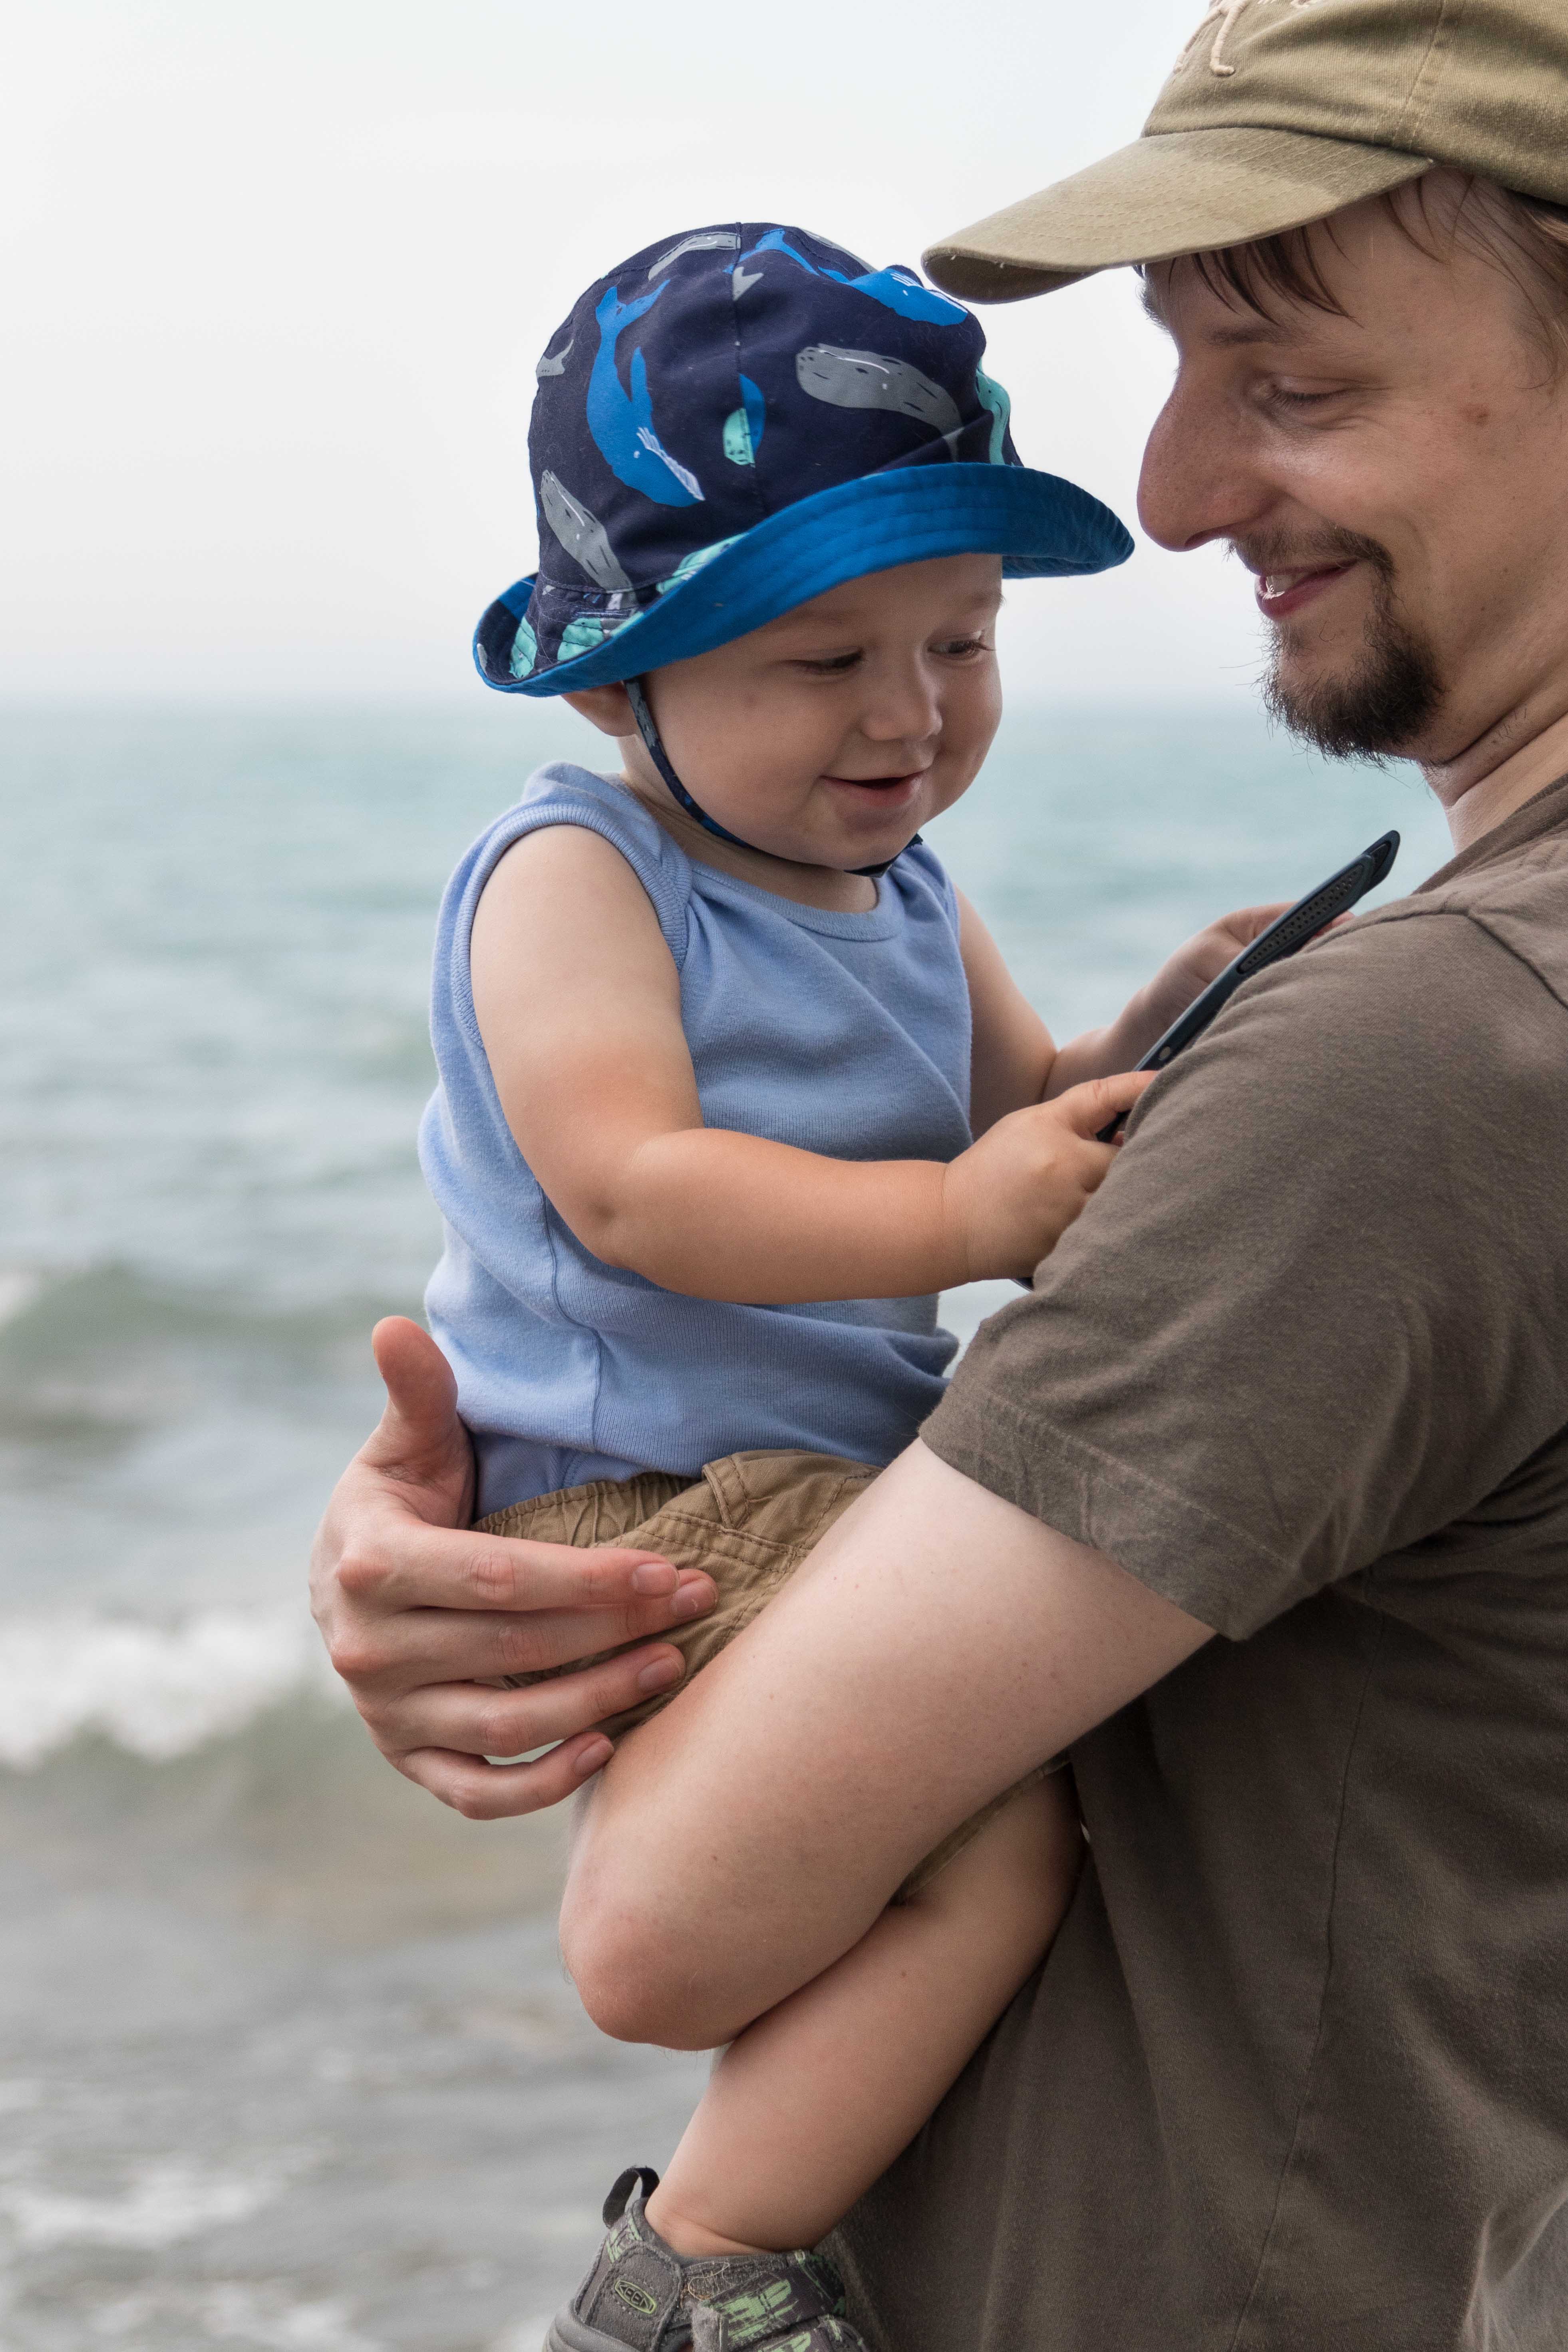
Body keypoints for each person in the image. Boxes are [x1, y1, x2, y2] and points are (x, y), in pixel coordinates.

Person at [312, 2, 1568, 2342]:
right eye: (1184, 375)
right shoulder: (1440, 1021)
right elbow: (658, 1189)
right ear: (626, 683)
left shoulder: (1446, 1050)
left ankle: (675, 2281)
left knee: (946, 1864)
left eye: (1289, 385)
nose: (1178, 494)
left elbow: (652, 1935)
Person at [413, 219, 1282, 2349]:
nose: (907, 717)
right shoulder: (575, 874)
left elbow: (1027, 1110)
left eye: (961, 643)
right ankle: (695, 2270)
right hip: (650, 1492)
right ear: (622, 676)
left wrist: (1186, 1015)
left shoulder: (897, 880)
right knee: (999, 1852)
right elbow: (637, 1189)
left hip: (818, 1483)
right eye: (821, 662)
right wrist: (968, 1225)